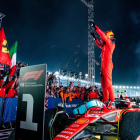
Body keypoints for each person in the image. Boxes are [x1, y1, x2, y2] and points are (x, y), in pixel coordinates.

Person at [90, 21, 115, 108]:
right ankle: (106, 102)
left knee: (108, 84)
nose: (103, 39)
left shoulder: (110, 44)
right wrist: (95, 38)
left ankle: (112, 102)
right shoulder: (105, 46)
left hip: (107, 65)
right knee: (103, 85)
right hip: (103, 66)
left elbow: (103, 36)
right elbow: (100, 44)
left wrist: (95, 27)